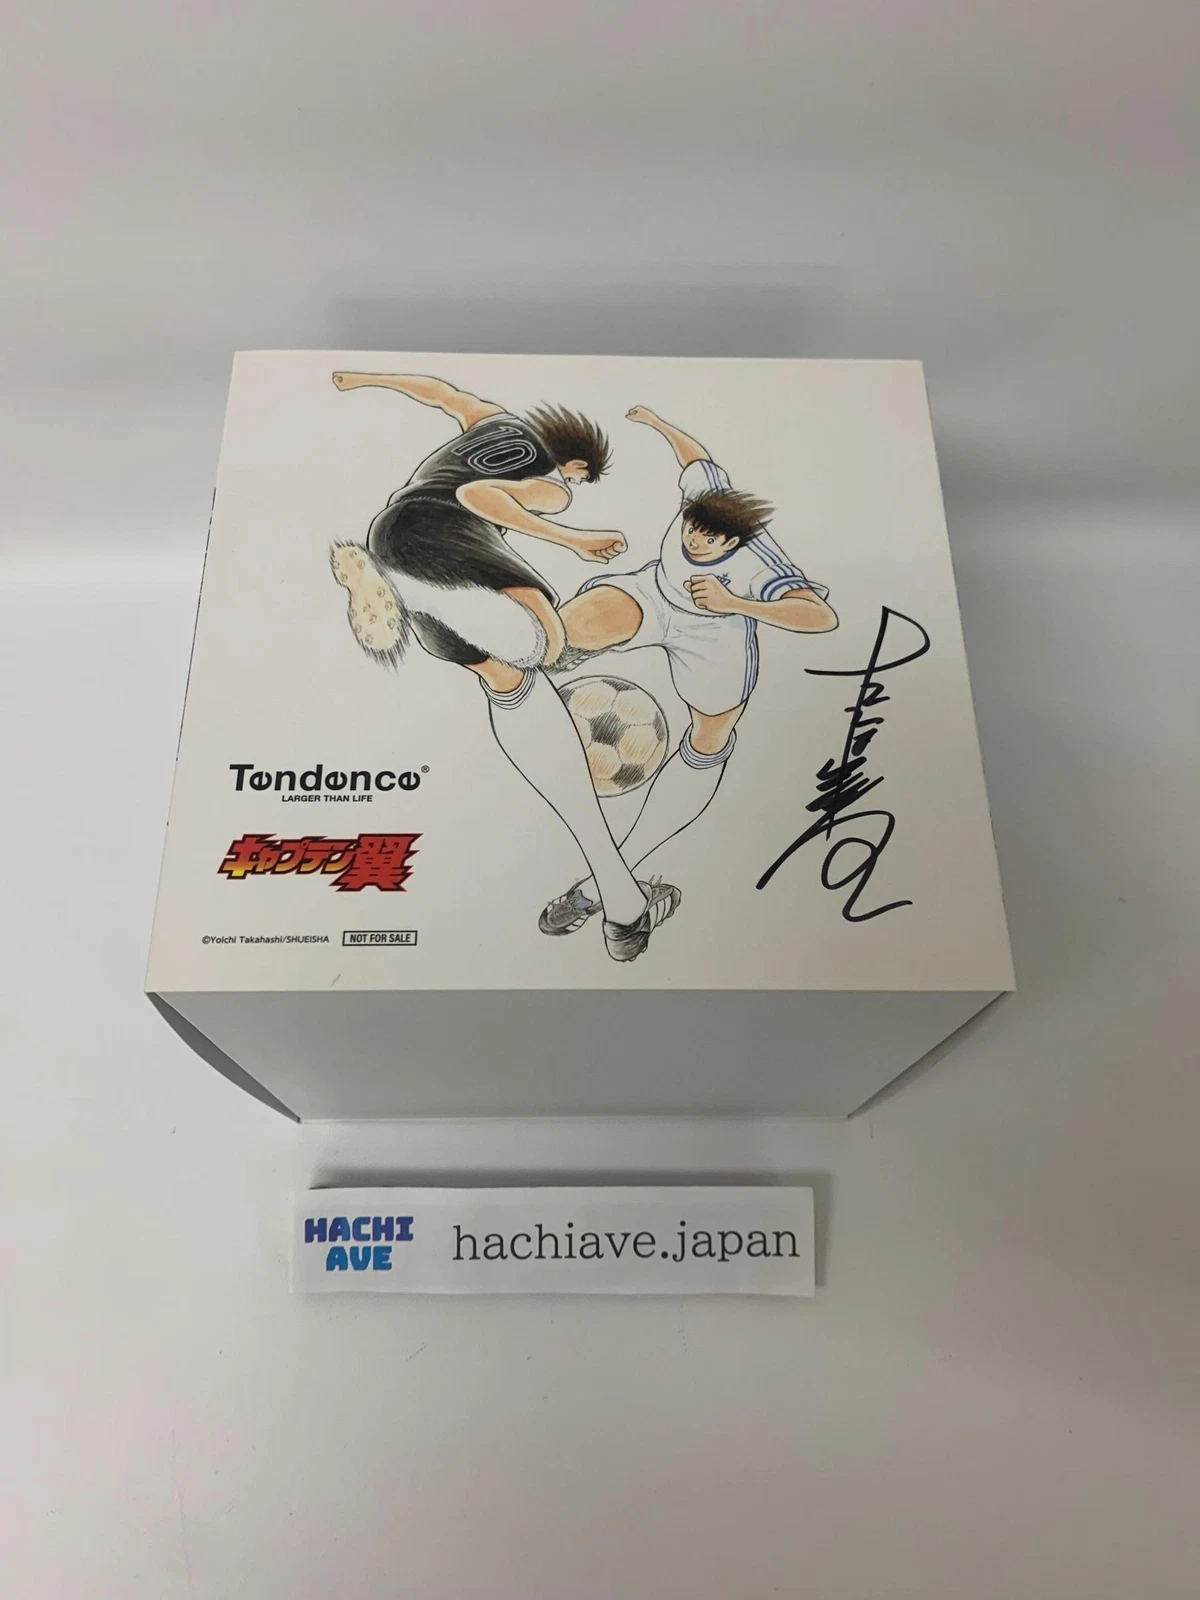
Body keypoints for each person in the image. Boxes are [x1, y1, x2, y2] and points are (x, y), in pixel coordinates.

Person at [329, 371, 680, 961]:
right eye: (581, 479)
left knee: (505, 676)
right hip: (449, 534)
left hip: (390, 532)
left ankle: (622, 904)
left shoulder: (492, 420)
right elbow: (478, 498)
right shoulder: (554, 485)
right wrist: (573, 539)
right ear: (575, 465)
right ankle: (419, 597)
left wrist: (364, 378)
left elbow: (441, 392)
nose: (574, 486)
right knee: (545, 645)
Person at [539, 404, 837, 937]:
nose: (694, 541)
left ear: (733, 542)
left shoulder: (758, 560)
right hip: (656, 592)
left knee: (710, 736)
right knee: (565, 628)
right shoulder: (705, 498)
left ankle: (614, 876)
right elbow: (696, 457)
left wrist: (736, 604)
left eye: (708, 539)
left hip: (717, 631)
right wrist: (657, 422)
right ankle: (558, 651)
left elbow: (820, 616)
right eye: (692, 529)